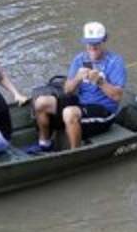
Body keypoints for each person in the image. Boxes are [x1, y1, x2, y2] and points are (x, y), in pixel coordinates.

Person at [30, 21, 127, 152]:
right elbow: (67, 90)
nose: (92, 47)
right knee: (41, 102)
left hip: (105, 111)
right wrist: (77, 78)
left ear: (104, 41)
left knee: (69, 112)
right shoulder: (79, 59)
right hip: (81, 104)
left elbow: (117, 96)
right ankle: (44, 143)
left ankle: (75, 153)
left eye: (96, 43)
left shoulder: (115, 62)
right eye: (89, 43)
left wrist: (100, 81)